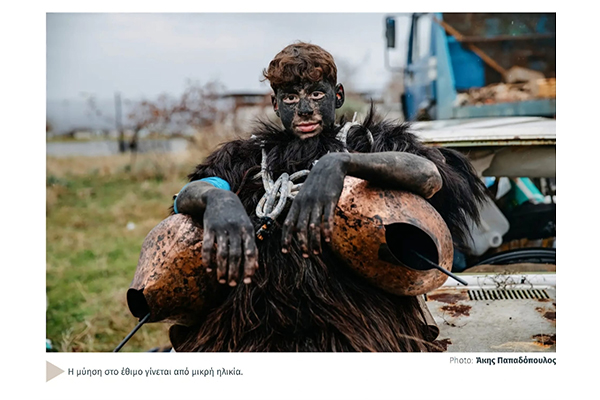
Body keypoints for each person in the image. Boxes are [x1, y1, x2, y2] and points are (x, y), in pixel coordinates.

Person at [169, 42, 486, 352]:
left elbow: (428, 174)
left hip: (361, 323)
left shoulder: (370, 142)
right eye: (291, 97)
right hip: (251, 326)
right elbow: (191, 192)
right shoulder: (245, 157)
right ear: (276, 104)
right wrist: (217, 200)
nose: (304, 109)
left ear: (338, 96)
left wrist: (343, 163)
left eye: (316, 94)